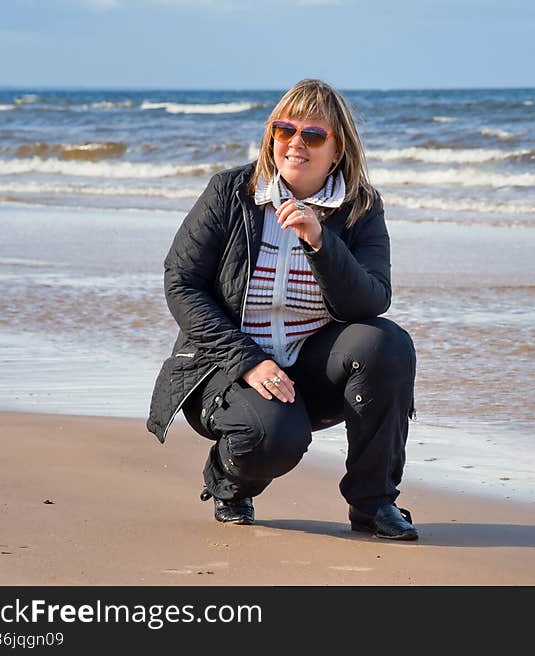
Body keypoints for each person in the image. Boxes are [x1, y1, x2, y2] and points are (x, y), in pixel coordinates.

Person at [146, 79, 419, 540]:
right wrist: (247, 361)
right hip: (226, 369)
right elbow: (181, 282)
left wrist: (320, 241)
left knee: (385, 343)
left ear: (338, 149)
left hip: (310, 369)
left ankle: (374, 503)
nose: (296, 143)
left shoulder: (360, 207)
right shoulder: (231, 192)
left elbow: (372, 300)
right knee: (274, 439)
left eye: (313, 135)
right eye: (284, 130)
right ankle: (228, 481)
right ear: (271, 136)